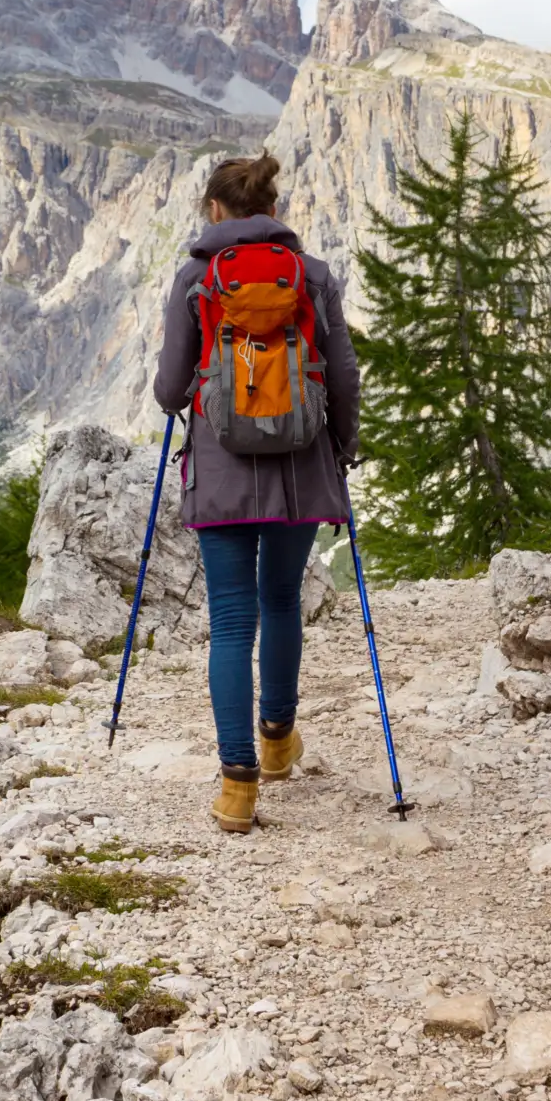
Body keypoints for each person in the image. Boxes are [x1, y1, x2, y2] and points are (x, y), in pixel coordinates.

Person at [151, 151, 360, 833]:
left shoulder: (196, 278)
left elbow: (169, 388)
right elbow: (343, 377)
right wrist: (342, 449)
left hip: (222, 472)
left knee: (233, 620)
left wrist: (191, 388)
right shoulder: (311, 275)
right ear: (272, 209)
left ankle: (238, 787)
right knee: (281, 600)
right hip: (300, 467)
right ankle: (277, 740)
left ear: (214, 210)